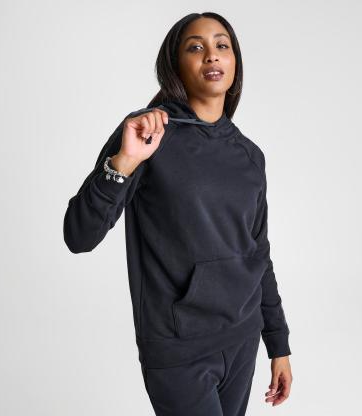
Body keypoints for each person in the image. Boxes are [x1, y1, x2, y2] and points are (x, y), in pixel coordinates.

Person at [63, 11, 293, 416]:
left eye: (222, 45)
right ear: (175, 65)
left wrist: (278, 344)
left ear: (235, 63)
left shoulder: (249, 155)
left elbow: (258, 254)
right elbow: (79, 235)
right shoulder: (148, 134)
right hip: (178, 349)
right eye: (195, 47)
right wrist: (124, 162)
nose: (211, 55)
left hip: (242, 340)